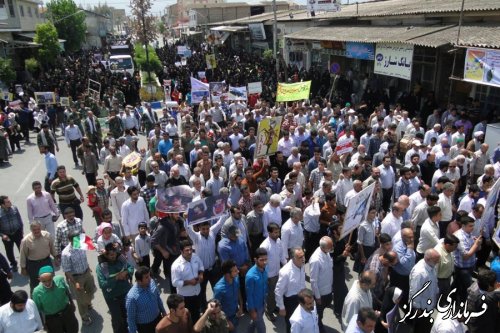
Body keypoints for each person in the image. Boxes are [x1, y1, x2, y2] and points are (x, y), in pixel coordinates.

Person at [96, 243, 134, 333]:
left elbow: (130, 268)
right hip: (112, 297)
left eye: (114, 254)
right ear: (106, 255)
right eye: (111, 255)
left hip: (125, 292)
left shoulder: (121, 260)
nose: (113, 256)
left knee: (127, 314)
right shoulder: (101, 267)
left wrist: (126, 273)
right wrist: (116, 278)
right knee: (117, 320)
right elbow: (103, 284)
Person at [61, 233, 97, 326]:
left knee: (92, 290)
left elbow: (84, 258)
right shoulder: (66, 253)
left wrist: (88, 267)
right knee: (80, 299)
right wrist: (74, 282)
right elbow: (67, 271)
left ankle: (88, 303)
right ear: (70, 240)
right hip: (76, 277)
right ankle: (85, 317)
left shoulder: (81, 246)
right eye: (76, 239)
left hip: (86, 273)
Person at [32, 265, 79, 333]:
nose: (47, 283)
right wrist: (43, 324)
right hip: (52, 319)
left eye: (49, 280)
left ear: (53, 276)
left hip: (67, 312)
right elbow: (38, 310)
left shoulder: (60, 280)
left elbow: (67, 292)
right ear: (39, 279)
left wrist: (72, 303)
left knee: (73, 329)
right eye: (44, 281)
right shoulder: (36, 292)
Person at [171, 239, 204, 324]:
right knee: (187, 317)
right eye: (187, 250)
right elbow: (175, 282)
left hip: (197, 292)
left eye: (191, 249)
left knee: (197, 312)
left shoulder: (195, 256)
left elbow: (201, 266)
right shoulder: (176, 265)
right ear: (181, 251)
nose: (190, 252)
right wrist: (188, 282)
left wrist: (201, 274)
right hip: (187, 297)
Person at [259, 222, 286, 322]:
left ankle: (274, 306)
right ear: (269, 233)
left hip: (278, 272)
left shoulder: (278, 241)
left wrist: (285, 265)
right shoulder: (265, 246)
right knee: (270, 294)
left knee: (278, 291)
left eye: (278, 232)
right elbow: (261, 262)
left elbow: (282, 255)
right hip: (269, 275)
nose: (277, 234)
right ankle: (269, 312)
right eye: (275, 232)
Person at [19, 221, 57, 293]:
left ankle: (52, 296)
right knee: (34, 284)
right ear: (31, 230)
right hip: (33, 264)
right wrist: (23, 268)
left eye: (38, 229)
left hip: (46, 261)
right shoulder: (26, 240)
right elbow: (23, 254)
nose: (36, 231)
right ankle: (34, 300)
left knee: (50, 280)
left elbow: (52, 247)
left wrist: (55, 257)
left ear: (41, 228)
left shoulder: (47, 235)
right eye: (34, 230)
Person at [275, 247, 306, 333]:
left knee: (301, 321)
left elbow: (302, 281)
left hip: (301, 297)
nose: (303, 258)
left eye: (303, 256)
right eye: (300, 257)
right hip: (290, 301)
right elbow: (278, 291)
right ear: (293, 258)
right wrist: (281, 307)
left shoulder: (302, 265)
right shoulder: (285, 272)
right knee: (291, 324)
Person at [126, 266, 166, 333]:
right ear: (139, 281)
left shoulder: (152, 282)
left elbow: (158, 298)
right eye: (146, 277)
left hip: (158, 319)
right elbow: (131, 318)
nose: (150, 279)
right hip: (145, 327)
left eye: (149, 275)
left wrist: (163, 312)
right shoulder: (132, 297)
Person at [408, 248, 440, 332]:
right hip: (421, 309)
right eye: (436, 260)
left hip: (428, 305)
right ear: (428, 259)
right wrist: (417, 308)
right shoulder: (419, 273)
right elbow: (415, 291)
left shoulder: (431, 266)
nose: (438, 262)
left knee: (425, 327)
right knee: (420, 329)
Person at [452, 216, 482, 302]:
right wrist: (476, 244)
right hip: (463, 267)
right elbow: (465, 256)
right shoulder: (460, 237)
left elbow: (476, 249)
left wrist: (478, 244)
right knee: (465, 287)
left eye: (473, 225)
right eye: (470, 226)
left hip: (470, 265)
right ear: (463, 226)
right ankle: (462, 303)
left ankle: (453, 297)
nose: (472, 228)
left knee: (458, 283)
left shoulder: (468, 234)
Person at [309, 236, 333, 333]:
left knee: (321, 311)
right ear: (323, 247)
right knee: (318, 313)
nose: (332, 248)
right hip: (321, 293)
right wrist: (317, 296)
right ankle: (317, 328)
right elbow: (313, 280)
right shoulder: (315, 260)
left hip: (328, 289)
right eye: (330, 247)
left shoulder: (326, 253)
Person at [466, 269, 500, 333]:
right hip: (483, 328)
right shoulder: (487, 299)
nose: (497, 283)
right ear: (489, 286)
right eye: (495, 282)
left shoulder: (476, 286)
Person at [245, 247, 268, 333]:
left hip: (262, 303)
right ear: (255, 260)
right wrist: (252, 310)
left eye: (266, 259)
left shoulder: (265, 268)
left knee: (254, 322)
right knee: (262, 329)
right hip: (255, 307)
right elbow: (249, 295)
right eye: (262, 260)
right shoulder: (250, 276)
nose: (265, 262)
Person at [0, 195, 24, 271]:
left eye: (9, 201)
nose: (10, 202)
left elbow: (19, 219)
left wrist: (21, 229)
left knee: (22, 249)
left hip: (17, 232)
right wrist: (2, 235)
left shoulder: (14, 208)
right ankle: (13, 264)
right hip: (7, 235)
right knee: (9, 251)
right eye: (7, 202)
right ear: (2, 205)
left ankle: (25, 263)